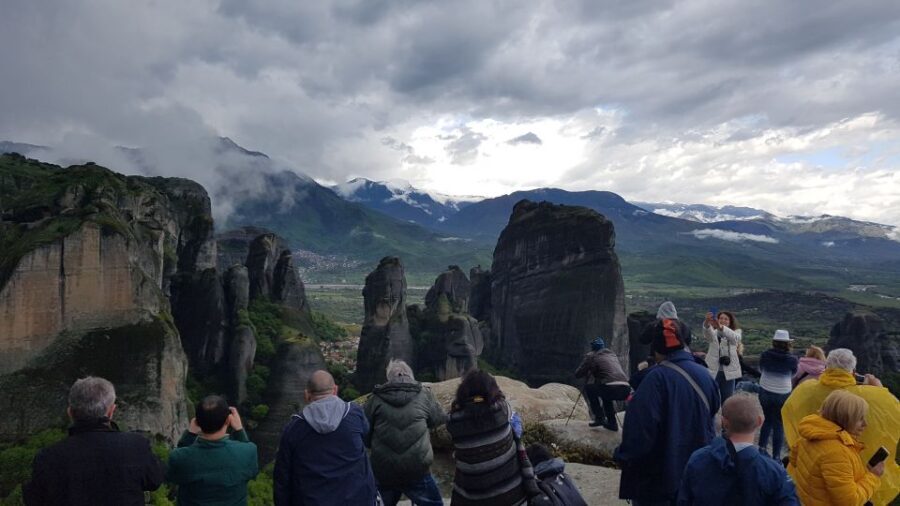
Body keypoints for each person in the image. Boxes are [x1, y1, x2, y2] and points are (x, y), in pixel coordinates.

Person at [614, 313, 720, 506]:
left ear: (655, 348)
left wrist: (622, 456)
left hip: (659, 483)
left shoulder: (654, 380)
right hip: (697, 475)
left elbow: (639, 433)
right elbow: (712, 417)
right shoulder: (705, 374)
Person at [782, 348, 900, 505]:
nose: (863, 424)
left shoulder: (806, 391)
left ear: (825, 367)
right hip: (855, 474)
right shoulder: (871, 396)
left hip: (811, 469)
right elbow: (892, 410)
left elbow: (789, 412)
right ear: (853, 372)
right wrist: (878, 389)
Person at [23, 376, 164, 505]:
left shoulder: (48, 457)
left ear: (70, 412)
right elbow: (155, 480)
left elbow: (35, 500)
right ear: (111, 412)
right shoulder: (136, 446)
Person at [274, 370, 377, 506]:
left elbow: (282, 477)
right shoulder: (354, 414)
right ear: (335, 390)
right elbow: (366, 433)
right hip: (357, 499)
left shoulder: (293, 429)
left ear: (307, 395)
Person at [677, 393, 798, 505]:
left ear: (724, 422)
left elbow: (684, 501)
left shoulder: (698, 459)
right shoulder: (774, 473)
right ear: (760, 421)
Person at [446, 369, 544, 505]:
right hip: (512, 497)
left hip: (472, 499)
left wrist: (462, 402)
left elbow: (456, 409)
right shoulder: (502, 410)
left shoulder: (453, 421)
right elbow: (502, 399)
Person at [364, 360, 447, 506]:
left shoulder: (375, 399)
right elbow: (438, 419)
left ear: (389, 378)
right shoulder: (424, 395)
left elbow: (365, 432)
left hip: (384, 469)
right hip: (417, 467)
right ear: (410, 375)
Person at [787, 390, 885, 505]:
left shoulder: (813, 432)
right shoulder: (837, 452)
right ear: (844, 418)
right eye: (860, 419)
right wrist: (873, 476)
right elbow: (849, 501)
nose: (865, 424)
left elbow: (793, 460)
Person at [165, 396, 259, 505]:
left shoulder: (179, 457)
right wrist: (239, 430)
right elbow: (251, 470)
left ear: (197, 422)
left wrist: (190, 435)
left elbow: (174, 475)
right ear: (228, 420)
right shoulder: (248, 451)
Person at [574, 337, 631, 430]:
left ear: (592, 347)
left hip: (612, 388)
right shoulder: (612, 355)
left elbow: (578, 374)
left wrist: (589, 369)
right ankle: (612, 424)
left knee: (590, 389)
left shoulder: (591, 356)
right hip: (626, 388)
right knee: (606, 396)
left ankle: (599, 418)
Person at [757, 329, 798, 460]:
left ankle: (761, 450)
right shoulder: (792, 359)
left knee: (768, 420)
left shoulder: (765, 355)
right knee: (779, 424)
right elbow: (793, 374)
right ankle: (776, 456)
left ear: (774, 342)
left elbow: (761, 369)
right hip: (782, 393)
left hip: (765, 390)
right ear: (787, 343)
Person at [702, 310, 742, 402]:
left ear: (730, 322)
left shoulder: (736, 332)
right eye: (721, 318)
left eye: (726, 319)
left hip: (729, 372)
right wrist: (707, 322)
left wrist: (721, 327)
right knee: (710, 398)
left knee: (727, 399)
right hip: (714, 371)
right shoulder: (713, 332)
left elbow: (735, 339)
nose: (723, 320)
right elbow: (708, 336)